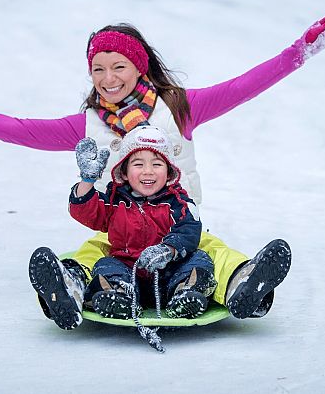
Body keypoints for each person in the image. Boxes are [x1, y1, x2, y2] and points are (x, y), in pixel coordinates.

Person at [0, 12, 325, 324]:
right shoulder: (87, 126)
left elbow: (250, 82)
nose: (108, 78)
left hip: (179, 222)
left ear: (140, 69)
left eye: (118, 67)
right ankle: (69, 289)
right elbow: (16, 128)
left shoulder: (179, 107)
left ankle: (243, 287)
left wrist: (309, 46)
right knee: (92, 253)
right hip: (116, 226)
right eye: (98, 68)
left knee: (212, 253)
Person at [30, 126, 218, 329]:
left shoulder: (178, 201)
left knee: (200, 259)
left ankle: (186, 295)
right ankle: (119, 297)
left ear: (169, 171)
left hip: (169, 273)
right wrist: (87, 181)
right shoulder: (114, 201)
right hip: (127, 270)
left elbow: (189, 230)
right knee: (105, 265)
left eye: (157, 164)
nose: (148, 171)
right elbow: (85, 211)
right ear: (125, 172)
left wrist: (168, 250)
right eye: (138, 164)